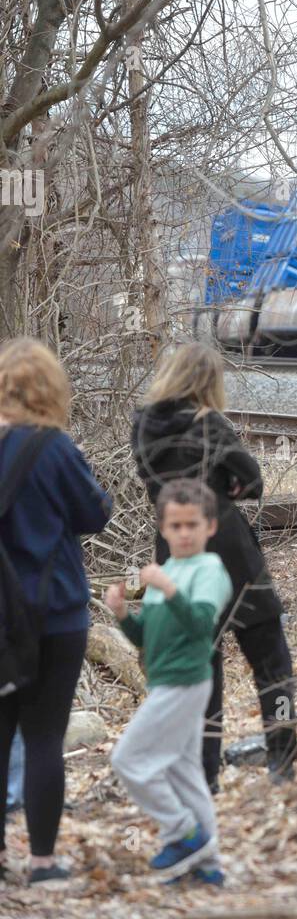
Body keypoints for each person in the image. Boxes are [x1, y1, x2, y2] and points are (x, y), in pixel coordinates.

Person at [130, 343, 297, 790]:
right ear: (209, 382)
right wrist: (225, 485)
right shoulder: (211, 424)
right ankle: (282, 756)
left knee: (200, 662)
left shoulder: (142, 427)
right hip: (229, 550)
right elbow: (254, 482)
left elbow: (158, 483)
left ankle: (205, 771)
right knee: (270, 658)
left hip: (174, 553)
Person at [0, 338, 112, 886]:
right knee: (44, 737)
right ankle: (42, 863)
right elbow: (95, 515)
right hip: (58, 614)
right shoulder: (55, 448)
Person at [106, 480, 230, 886]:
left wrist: (168, 589)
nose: (184, 533)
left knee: (127, 759)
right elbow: (146, 638)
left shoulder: (209, 570)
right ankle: (208, 864)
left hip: (186, 680)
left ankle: (183, 832)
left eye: (192, 524)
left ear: (210, 526)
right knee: (184, 772)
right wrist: (123, 614)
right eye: (175, 526)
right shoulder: (170, 570)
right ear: (162, 528)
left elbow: (198, 627)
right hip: (165, 681)